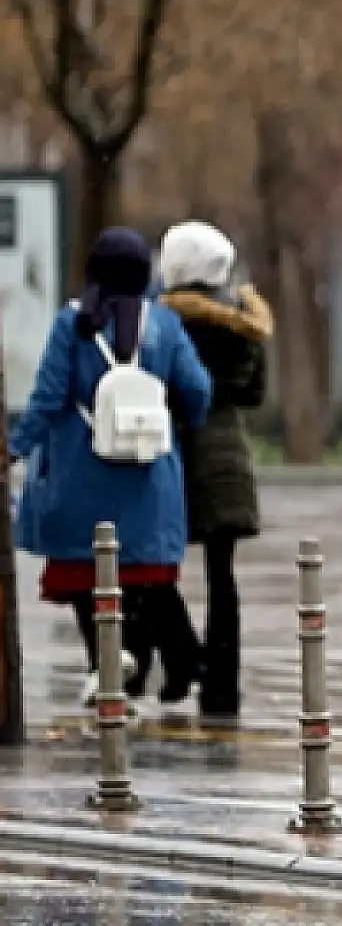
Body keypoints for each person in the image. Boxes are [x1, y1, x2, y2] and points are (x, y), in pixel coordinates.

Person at [8, 227, 212, 708]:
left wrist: (14, 447)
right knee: (145, 579)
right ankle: (149, 666)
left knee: (89, 577)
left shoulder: (72, 326)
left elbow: (47, 398)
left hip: (82, 480)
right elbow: (198, 391)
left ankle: (109, 667)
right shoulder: (163, 326)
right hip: (148, 477)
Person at [158, 221, 271, 720]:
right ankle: (223, 687)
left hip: (175, 453)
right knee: (222, 576)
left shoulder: (164, 324)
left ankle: (182, 659)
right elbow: (253, 395)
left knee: (155, 566)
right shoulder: (244, 325)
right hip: (229, 457)